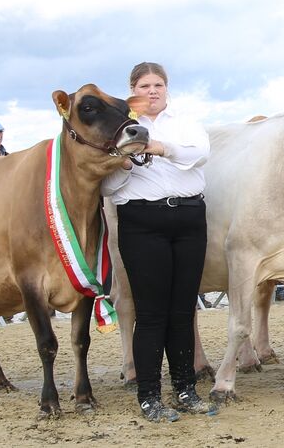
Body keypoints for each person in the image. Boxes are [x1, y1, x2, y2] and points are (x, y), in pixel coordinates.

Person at [101, 62, 216, 421]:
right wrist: (125, 163)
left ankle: (185, 389)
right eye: (145, 86)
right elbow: (105, 186)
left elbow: (199, 153)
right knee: (151, 314)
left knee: (183, 310)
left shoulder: (185, 123)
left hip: (189, 217)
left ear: (167, 89)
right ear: (132, 91)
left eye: (159, 85)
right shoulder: (116, 129)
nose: (153, 91)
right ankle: (149, 395)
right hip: (142, 222)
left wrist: (158, 146)